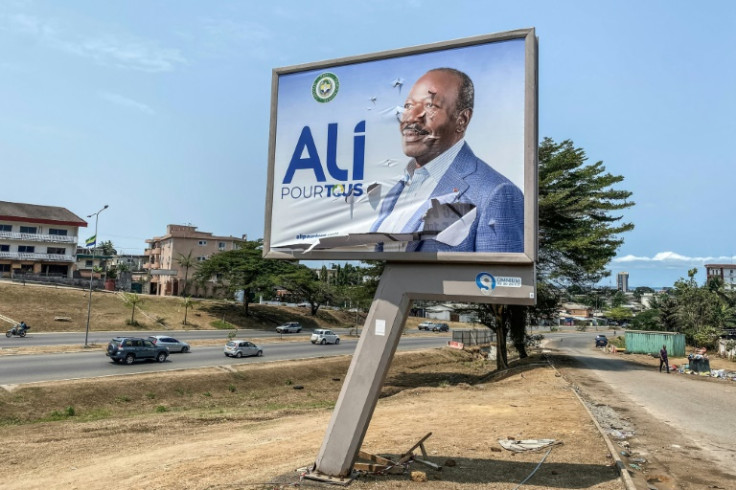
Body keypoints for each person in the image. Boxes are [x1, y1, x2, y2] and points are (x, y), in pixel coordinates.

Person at [370, 67, 524, 252]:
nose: (411, 117)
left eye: (430, 106)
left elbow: (496, 278)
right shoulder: (396, 191)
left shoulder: (496, 193)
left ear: (462, 119)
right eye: (409, 106)